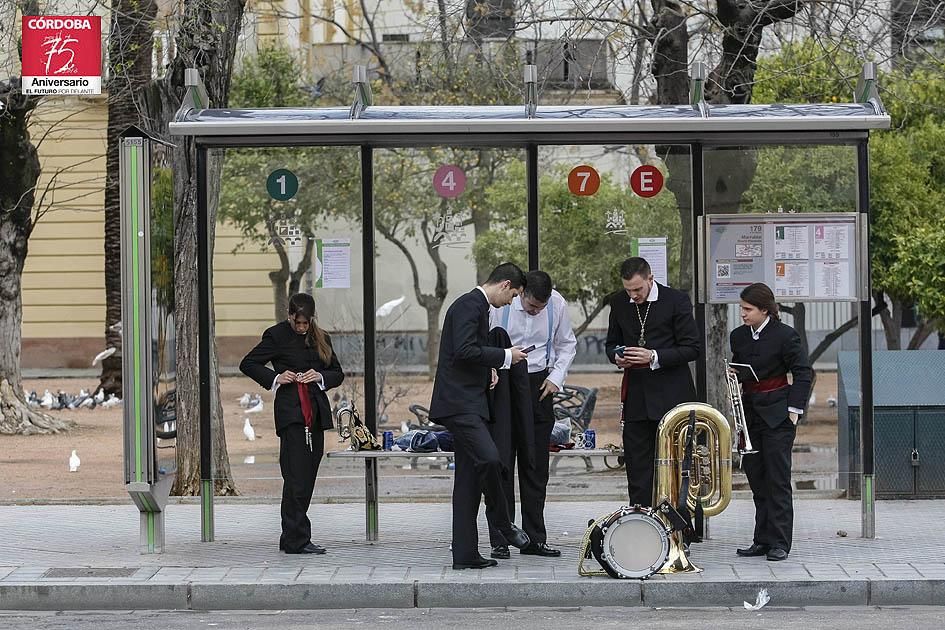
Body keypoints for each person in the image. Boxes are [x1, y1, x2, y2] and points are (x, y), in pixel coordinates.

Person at [429, 262, 532, 570]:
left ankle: (465, 554)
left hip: (468, 401)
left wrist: (489, 368)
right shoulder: (470, 305)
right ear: (505, 285)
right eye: (513, 295)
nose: (511, 302)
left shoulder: (477, 307)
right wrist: (504, 357)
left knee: (468, 483)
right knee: (490, 458)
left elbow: (468, 352)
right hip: (460, 405)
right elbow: (462, 350)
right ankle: (503, 521)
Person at [239, 293, 344, 555]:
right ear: (289, 316)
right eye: (297, 323)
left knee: (307, 475)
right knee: (295, 475)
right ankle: (297, 538)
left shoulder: (322, 338)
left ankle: (291, 537)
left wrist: (320, 376)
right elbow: (248, 363)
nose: (301, 328)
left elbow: (337, 373)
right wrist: (276, 377)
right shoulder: (276, 335)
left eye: (305, 323)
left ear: (311, 319)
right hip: (292, 414)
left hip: (316, 414)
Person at [486, 270, 577, 560]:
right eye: (530, 305)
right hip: (503, 381)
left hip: (539, 384)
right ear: (521, 292)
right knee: (501, 461)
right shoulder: (501, 303)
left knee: (536, 465)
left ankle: (535, 538)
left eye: (540, 307)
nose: (535, 311)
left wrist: (556, 378)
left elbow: (567, 344)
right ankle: (501, 537)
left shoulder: (557, 304)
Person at [605, 257, 700, 507]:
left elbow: (692, 348)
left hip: (672, 395)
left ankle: (678, 527)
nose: (634, 295)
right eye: (628, 290)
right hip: (637, 397)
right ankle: (641, 522)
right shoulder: (618, 302)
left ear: (650, 279)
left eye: (638, 289)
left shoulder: (676, 300)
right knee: (637, 465)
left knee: (676, 462)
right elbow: (611, 343)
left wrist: (654, 356)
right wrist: (617, 356)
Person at [731, 282, 811, 562]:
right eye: (741, 308)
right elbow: (739, 369)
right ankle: (761, 539)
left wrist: (794, 410)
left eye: (748, 309)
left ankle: (780, 542)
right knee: (757, 478)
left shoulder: (786, 336)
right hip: (750, 414)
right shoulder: (738, 336)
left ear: (765, 310)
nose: (742, 314)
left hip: (777, 414)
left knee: (778, 479)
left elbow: (803, 373)